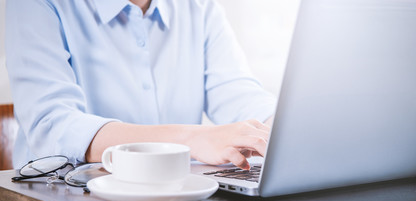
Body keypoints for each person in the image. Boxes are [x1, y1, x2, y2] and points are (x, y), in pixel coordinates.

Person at [5, 0, 276, 170]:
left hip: (178, 196)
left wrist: (282, 129)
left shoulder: (200, 7)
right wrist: (192, 139)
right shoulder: (35, 3)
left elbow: (236, 92)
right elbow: (53, 126)